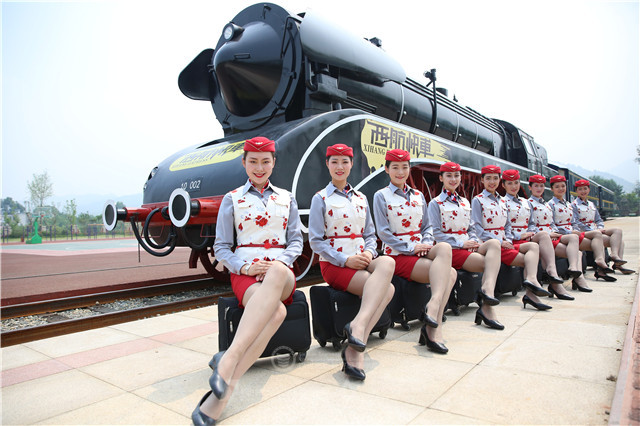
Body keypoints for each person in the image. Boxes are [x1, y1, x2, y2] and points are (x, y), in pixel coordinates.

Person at [192, 137, 303, 426]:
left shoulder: (287, 198)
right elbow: (221, 247)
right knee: (276, 313)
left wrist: (277, 264)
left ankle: (228, 358)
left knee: (276, 272)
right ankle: (223, 394)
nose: (259, 167)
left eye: (265, 161)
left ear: (274, 163)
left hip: (281, 275)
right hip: (246, 276)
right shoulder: (231, 200)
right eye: (253, 161)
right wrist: (247, 267)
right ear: (243, 163)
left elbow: (296, 243)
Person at [309, 143, 395, 381]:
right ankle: (356, 351)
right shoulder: (320, 198)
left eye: (344, 162)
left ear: (351, 164)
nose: (340, 166)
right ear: (327, 165)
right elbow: (315, 241)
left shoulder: (361, 198)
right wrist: (345, 260)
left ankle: (357, 329)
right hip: (335, 265)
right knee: (387, 289)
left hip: (362, 259)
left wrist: (369, 252)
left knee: (387, 262)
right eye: (334, 162)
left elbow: (370, 235)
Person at [373, 149, 457, 354]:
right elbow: (383, 233)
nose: (400, 172)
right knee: (451, 274)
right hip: (397, 255)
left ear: (409, 169)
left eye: (404, 167)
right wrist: (411, 248)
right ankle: (433, 329)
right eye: (395, 167)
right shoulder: (381, 196)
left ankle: (433, 307)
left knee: (444, 247)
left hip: (421, 250)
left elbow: (427, 227)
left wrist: (426, 243)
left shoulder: (418, 195)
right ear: (387, 169)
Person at [428, 162, 504, 330]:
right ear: (441, 178)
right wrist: (461, 243)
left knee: (494, 244)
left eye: (456, 175)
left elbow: (471, 228)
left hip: (468, 247)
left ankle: (487, 292)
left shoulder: (464, 202)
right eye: (449, 176)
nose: (453, 179)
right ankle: (486, 307)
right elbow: (435, 233)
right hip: (452, 250)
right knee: (488, 264)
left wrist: (474, 241)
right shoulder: (435, 203)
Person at [470, 166, 552, 311]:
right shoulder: (478, 200)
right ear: (482, 180)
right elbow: (476, 227)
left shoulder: (502, 201)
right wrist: (501, 241)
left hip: (504, 244)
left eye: (495, 178)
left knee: (533, 247)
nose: (492, 182)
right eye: (488, 178)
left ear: (499, 180)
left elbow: (507, 225)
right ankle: (531, 294)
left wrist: (507, 239)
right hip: (489, 245)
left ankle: (531, 283)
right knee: (528, 260)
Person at [501, 169, 565, 311]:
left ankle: (552, 272)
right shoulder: (501, 202)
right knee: (533, 253)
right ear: (503, 185)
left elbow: (531, 223)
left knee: (543, 235)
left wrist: (531, 233)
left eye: (516, 183)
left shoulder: (525, 202)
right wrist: (518, 236)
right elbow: (503, 225)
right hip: (513, 240)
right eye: (509, 183)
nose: (514, 186)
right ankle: (533, 293)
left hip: (527, 239)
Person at [548, 174, 615, 284]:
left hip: (573, 234)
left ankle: (600, 264)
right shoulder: (550, 204)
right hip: (562, 235)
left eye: (563, 186)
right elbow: (551, 224)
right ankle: (583, 277)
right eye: (557, 187)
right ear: (552, 189)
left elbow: (574, 222)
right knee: (590, 243)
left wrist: (576, 230)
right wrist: (570, 231)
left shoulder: (568, 204)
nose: (561, 189)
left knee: (598, 236)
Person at [527, 174, 585, 299]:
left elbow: (552, 222)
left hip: (552, 236)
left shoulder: (546, 204)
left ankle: (575, 273)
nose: (539, 188)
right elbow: (529, 225)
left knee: (575, 244)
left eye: (541, 186)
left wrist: (554, 232)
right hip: (540, 237)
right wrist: (549, 234)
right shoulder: (528, 204)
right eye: (536, 186)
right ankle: (557, 284)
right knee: (575, 252)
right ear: (530, 187)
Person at [572, 179, 634, 275]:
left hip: (595, 231)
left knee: (617, 232)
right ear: (576, 191)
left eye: (585, 188)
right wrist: (594, 230)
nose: (583, 191)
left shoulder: (591, 204)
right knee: (617, 241)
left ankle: (616, 258)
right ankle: (617, 263)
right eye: (580, 189)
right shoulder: (574, 205)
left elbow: (599, 219)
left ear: (589, 189)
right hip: (584, 232)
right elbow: (576, 222)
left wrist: (600, 228)